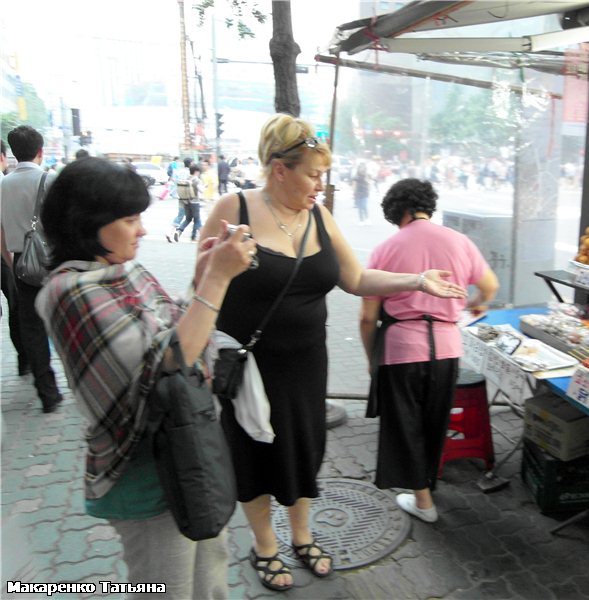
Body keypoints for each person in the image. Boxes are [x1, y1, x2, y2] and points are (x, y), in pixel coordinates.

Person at [198, 113, 467, 592]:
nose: (319, 184)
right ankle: (265, 546)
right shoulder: (230, 209)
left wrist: (417, 280)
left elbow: (357, 279)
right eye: (312, 173)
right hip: (248, 368)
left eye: (323, 174)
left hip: (306, 367)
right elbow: (200, 290)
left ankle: (301, 536)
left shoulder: (319, 216)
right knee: (254, 456)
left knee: (303, 452)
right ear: (280, 169)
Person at [35, 156, 256, 598]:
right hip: (142, 471)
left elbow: (178, 329)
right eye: (131, 219)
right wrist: (215, 282)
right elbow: (167, 365)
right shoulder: (67, 293)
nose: (142, 230)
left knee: (211, 576)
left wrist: (202, 277)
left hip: (190, 453)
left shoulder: (123, 271)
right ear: (87, 223)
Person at [360, 178, 498, 523]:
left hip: (401, 350)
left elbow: (367, 317)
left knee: (405, 425)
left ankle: (423, 502)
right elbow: (490, 286)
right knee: (434, 421)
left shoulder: (385, 249)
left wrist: (369, 359)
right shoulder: (460, 241)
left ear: (397, 211)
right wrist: (478, 305)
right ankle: (427, 487)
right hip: (448, 348)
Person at [0, 126, 64, 412]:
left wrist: (11, 260)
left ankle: (47, 394)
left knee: (32, 328)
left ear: (12, 153)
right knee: (66, 320)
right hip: (54, 263)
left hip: (20, 264)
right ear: (40, 151)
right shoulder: (51, 181)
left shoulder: (2, 185)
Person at [0, 139, 29, 377]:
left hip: (8, 254)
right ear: (2, 157)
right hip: (7, 255)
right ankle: (24, 359)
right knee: (17, 307)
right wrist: (11, 262)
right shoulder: (4, 184)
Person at [175, 165, 203, 242]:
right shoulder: (197, 180)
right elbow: (201, 190)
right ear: (196, 172)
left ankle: (179, 231)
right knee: (197, 220)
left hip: (186, 202)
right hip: (195, 202)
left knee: (188, 219)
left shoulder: (186, 179)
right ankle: (202, 236)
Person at [166, 158, 192, 243]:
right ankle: (172, 232)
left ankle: (172, 232)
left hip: (180, 195)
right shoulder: (190, 173)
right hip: (188, 197)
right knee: (191, 216)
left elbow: (175, 181)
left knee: (181, 215)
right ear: (190, 163)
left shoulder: (179, 171)